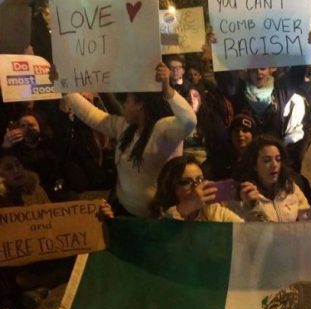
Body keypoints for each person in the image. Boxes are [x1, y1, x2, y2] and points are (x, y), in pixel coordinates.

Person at [60, 62, 197, 217]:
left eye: (127, 100)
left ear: (140, 104)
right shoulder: (125, 127)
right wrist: (64, 88)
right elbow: (91, 115)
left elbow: (189, 121)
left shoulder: (163, 130)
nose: (123, 105)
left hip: (157, 218)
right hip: (125, 211)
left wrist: (167, 88)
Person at [236, 135, 311, 222]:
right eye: (267, 161)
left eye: (278, 159)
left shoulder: (290, 187)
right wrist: (250, 206)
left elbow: (309, 222)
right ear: (254, 165)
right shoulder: (245, 194)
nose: (274, 165)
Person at [149, 155, 243, 222]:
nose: (196, 187)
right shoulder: (161, 212)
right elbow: (160, 237)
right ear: (170, 186)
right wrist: (186, 207)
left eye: (199, 179)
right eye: (187, 182)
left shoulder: (211, 210)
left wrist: (252, 204)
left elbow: (244, 231)